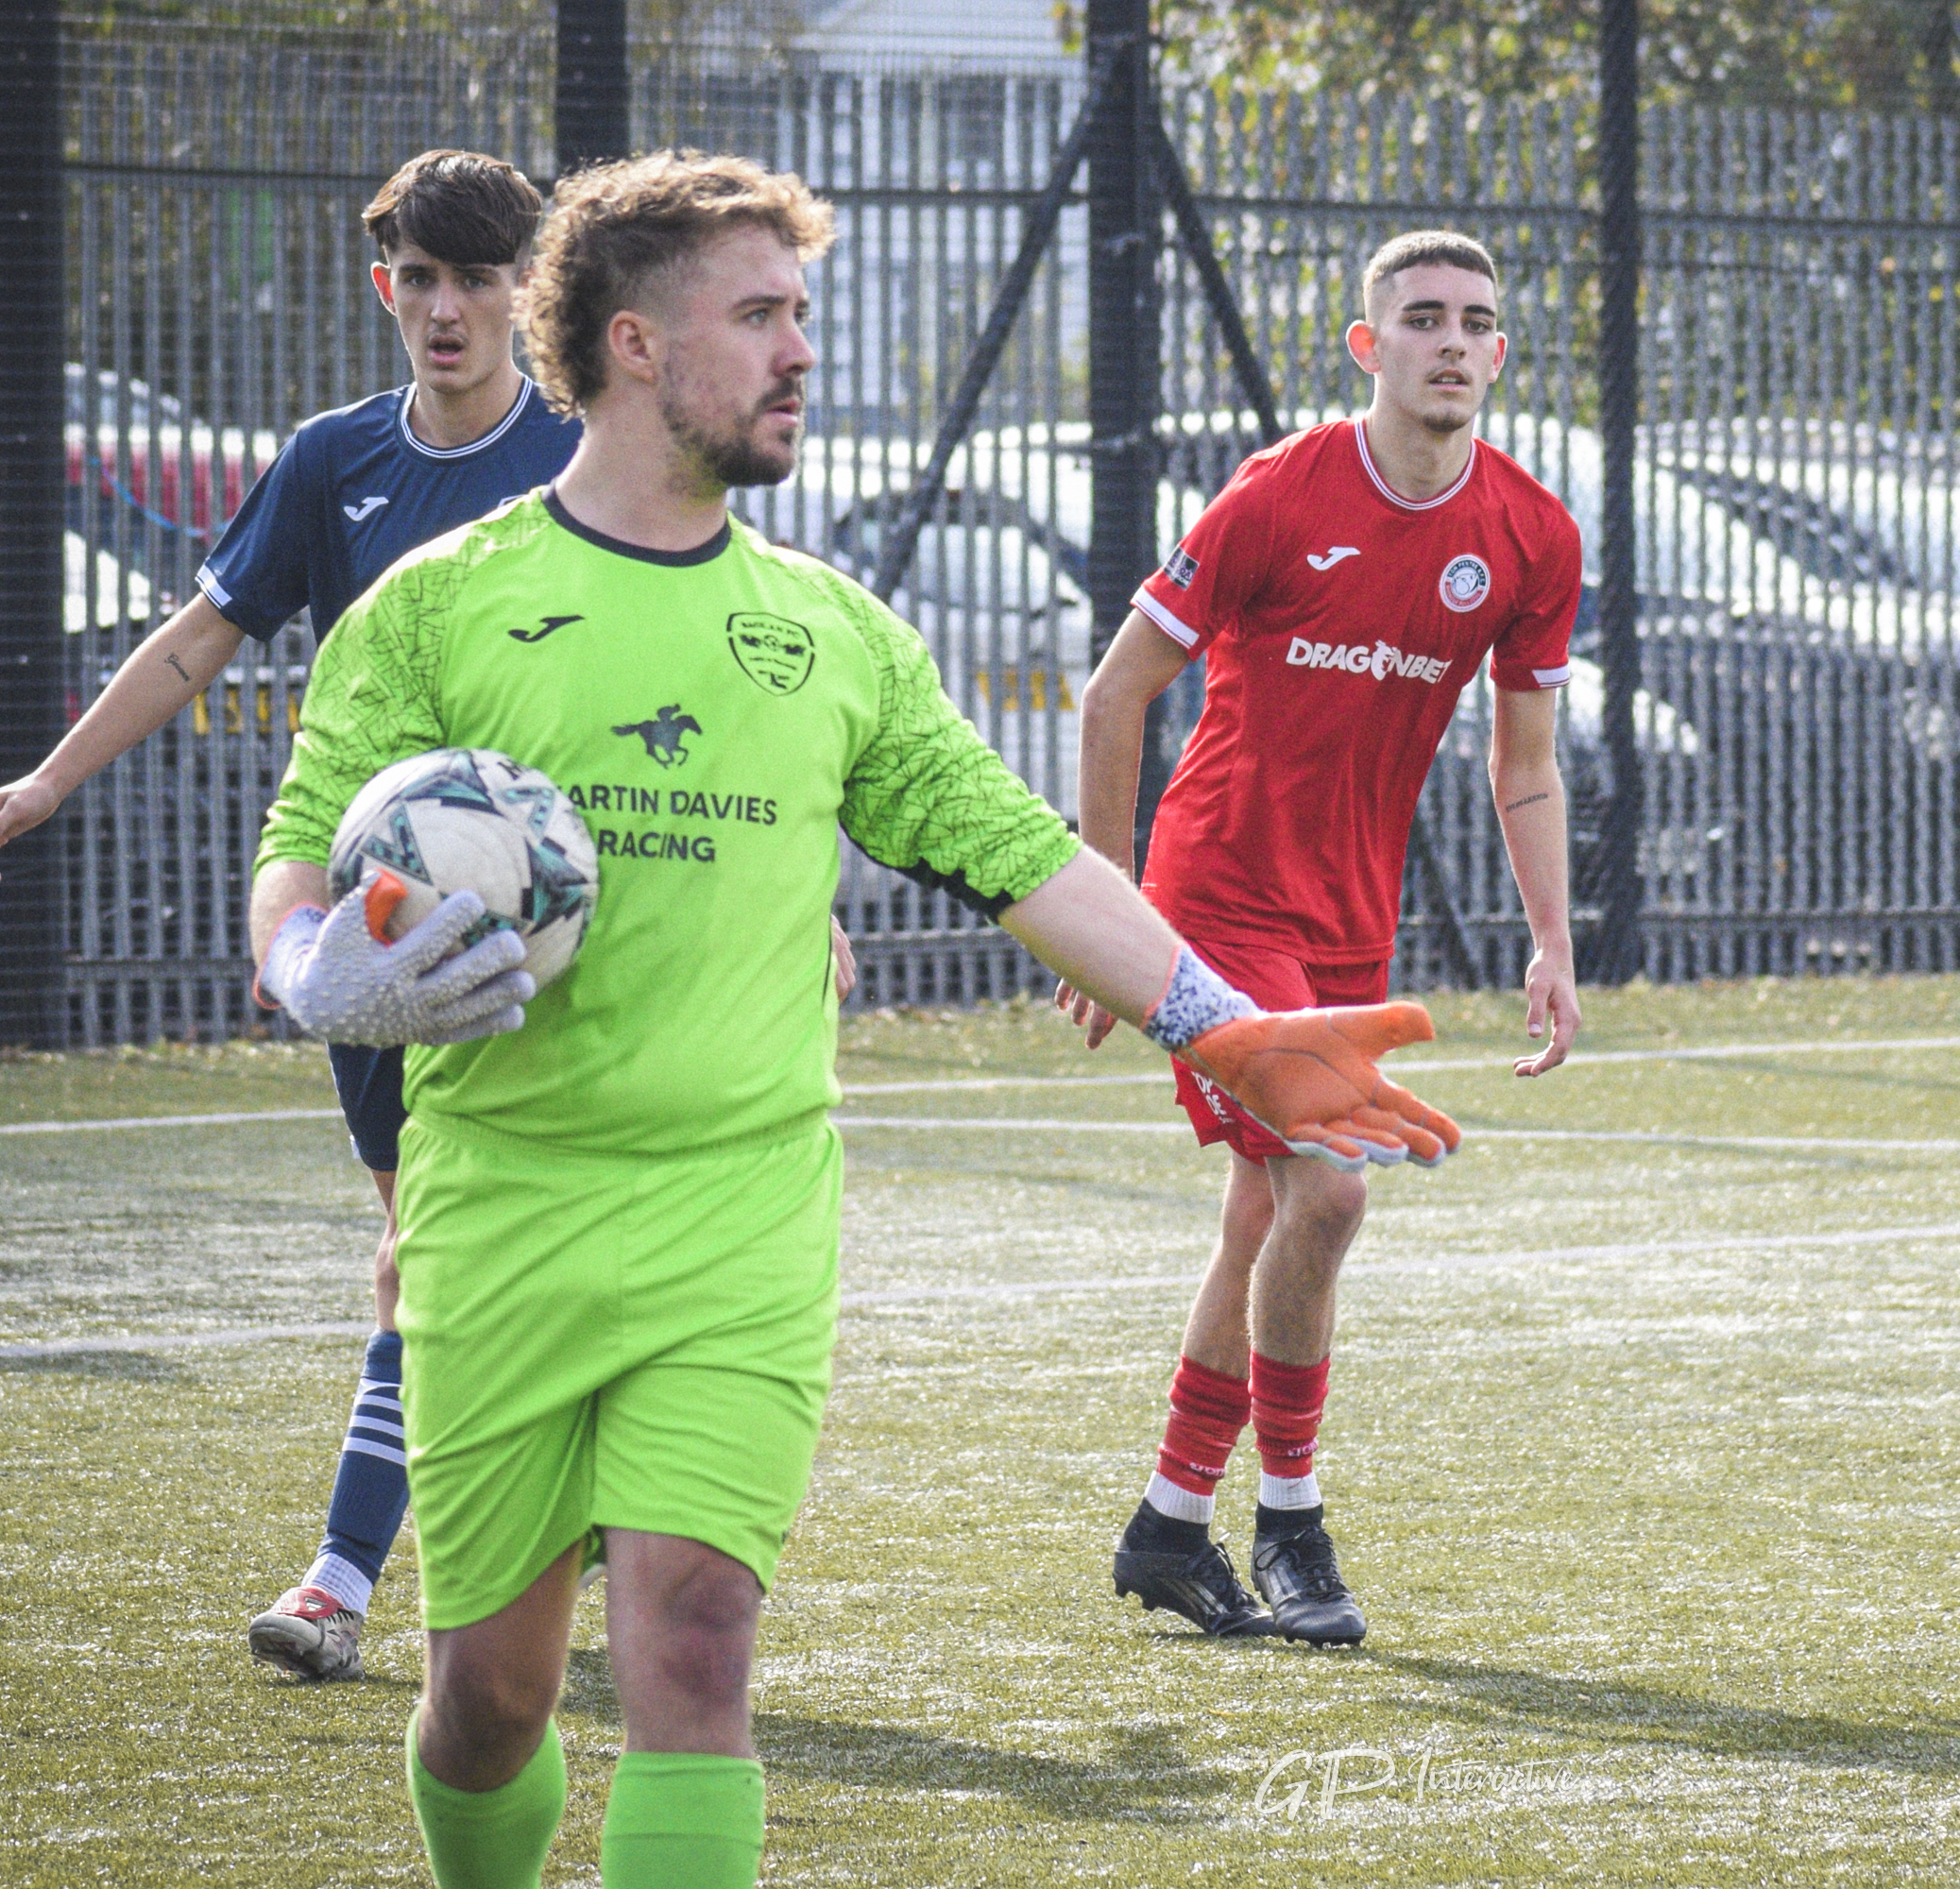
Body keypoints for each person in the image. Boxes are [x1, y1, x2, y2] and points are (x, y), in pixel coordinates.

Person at [248, 148, 1457, 1887]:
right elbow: (297, 863)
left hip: (743, 1209)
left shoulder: (831, 635)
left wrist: (1222, 1023)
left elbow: (1022, 853)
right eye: (762, 315)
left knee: (691, 1644)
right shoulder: (435, 609)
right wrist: (316, 976)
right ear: (638, 343)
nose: (803, 350)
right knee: (491, 1704)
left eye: (801, 311)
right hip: (500, 1202)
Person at [0, 149, 649, 1683]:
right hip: (379, 929)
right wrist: (42, 783)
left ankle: (343, 1581)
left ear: (526, 294)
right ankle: (549, 1507)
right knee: (423, 1248)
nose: (447, 307)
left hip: (563, 929)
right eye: (420, 277)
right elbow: (195, 640)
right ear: (386, 289)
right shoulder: (332, 461)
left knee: (478, 1251)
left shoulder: (588, 457)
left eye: (480, 278)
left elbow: (671, 672)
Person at [1063, 230, 1583, 1646]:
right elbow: (1117, 697)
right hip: (1217, 900)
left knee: (1267, 1214)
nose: (1454, 344)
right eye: (1423, 320)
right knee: (1332, 1195)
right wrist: (1106, 918)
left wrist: (1552, 939)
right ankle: (1291, 1521)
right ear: (1370, 347)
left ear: (1498, 352)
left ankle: (1171, 1526)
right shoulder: (1279, 496)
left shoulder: (1531, 533)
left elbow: (1524, 760)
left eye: (1478, 322)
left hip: (1350, 925)